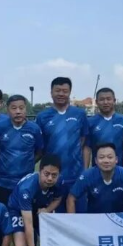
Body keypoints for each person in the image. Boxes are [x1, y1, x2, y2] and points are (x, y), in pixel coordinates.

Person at [6, 155, 65, 246]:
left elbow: (58, 199)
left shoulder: (60, 182)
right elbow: (28, 225)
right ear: (39, 171)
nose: (50, 178)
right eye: (46, 174)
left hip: (39, 209)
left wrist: (47, 210)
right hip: (18, 211)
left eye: (54, 175)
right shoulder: (26, 189)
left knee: (54, 242)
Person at [36, 77, 89, 211]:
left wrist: (83, 170)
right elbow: (40, 146)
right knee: (54, 217)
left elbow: (83, 141)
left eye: (65, 91)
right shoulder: (42, 116)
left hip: (75, 175)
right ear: (51, 92)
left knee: (79, 215)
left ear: (70, 92)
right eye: (57, 90)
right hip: (52, 177)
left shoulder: (79, 114)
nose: (61, 94)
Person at [0, 94, 44, 205]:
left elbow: (39, 152)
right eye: (14, 108)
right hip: (3, 183)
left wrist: (28, 163)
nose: (18, 111)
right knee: (4, 213)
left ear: (26, 109)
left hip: (26, 182)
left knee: (25, 213)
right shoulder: (0, 128)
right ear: (8, 110)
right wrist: (1, 163)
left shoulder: (34, 129)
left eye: (21, 108)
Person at [85, 87, 123, 169]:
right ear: (96, 102)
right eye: (102, 99)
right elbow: (87, 148)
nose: (105, 102)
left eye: (108, 99)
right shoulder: (90, 122)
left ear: (114, 101)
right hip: (98, 170)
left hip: (119, 170)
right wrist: (85, 171)